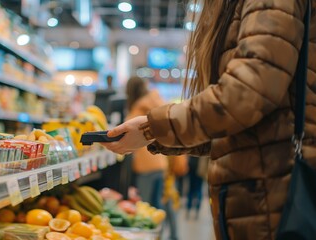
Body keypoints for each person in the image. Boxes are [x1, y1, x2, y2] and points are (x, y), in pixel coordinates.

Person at [101, 1, 316, 239]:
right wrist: (151, 132)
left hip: (274, 195)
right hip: (262, 193)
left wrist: (151, 129)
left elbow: (243, 97)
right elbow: (232, 127)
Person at [124, 76, 178, 239]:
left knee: (146, 212)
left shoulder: (137, 108)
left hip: (145, 166)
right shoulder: (155, 103)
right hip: (160, 163)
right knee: (161, 208)